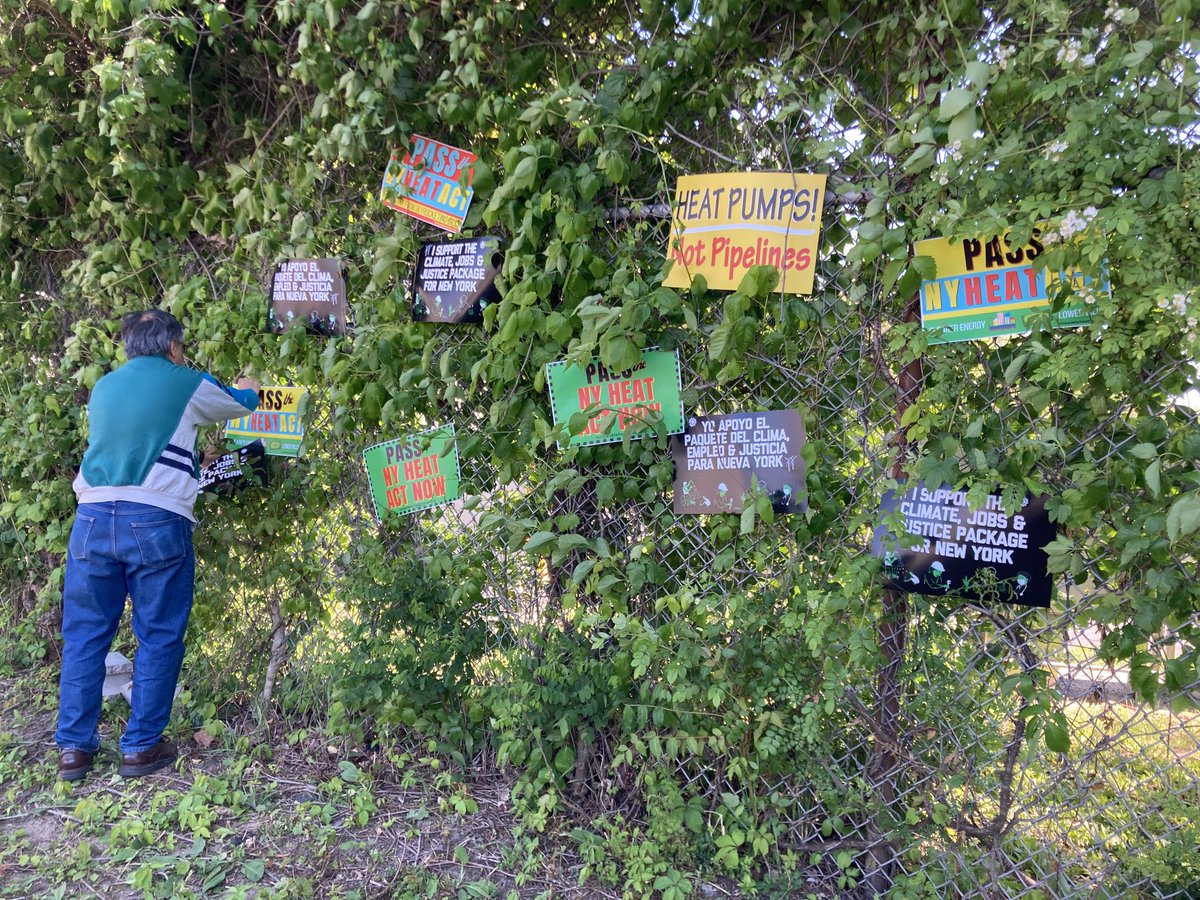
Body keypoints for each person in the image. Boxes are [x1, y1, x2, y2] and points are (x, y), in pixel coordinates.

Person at [56, 310, 260, 781]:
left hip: (91, 519)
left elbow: (135, 444)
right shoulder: (184, 381)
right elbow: (240, 403)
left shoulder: (104, 387)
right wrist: (250, 380)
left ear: (128, 346)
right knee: (159, 634)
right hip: (154, 520)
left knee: (85, 637)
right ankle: (141, 747)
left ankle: (74, 751)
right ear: (173, 347)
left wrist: (190, 455)